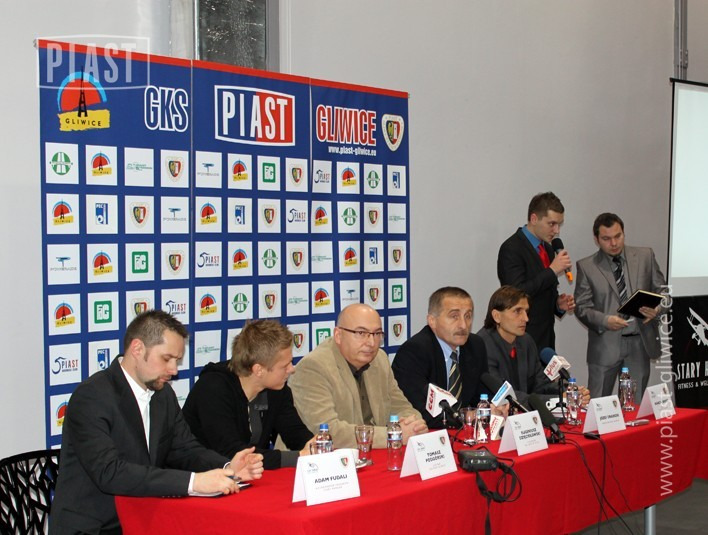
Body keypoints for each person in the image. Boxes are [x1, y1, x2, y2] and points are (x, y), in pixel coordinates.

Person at [50, 310, 264, 534]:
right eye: (166, 359)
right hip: (94, 527)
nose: (174, 370)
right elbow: (110, 472)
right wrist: (194, 482)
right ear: (137, 349)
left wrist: (228, 467)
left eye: (177, 361)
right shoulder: (92, 397)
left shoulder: (163, 395)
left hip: (145, 518)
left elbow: (185, 450)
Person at [289, 303, 427, 449]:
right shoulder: (313, 367)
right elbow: (328, 431)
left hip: (369, 454)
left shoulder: (379, 359)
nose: (371, 342)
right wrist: (394, 434)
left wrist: (413, 424)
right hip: (317, 458)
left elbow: (401, 406)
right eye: (361, 333)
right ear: (338, 335)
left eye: (377, 334)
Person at [183, 319, 314, 470]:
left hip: (248, 476)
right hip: (203, 476)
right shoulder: (213, 389)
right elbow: (233, 453)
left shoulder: (277, 389)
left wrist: (314, 446)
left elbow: (294, 432)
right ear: (259, 370)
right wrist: (299, 457)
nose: (292, 369)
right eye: (285, 366)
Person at [574, 213, 666, 398]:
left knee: (635, 406)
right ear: (596, 239)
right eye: (606, 239)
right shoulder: (587, 266)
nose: (614, 243)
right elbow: (581, 307)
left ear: (624, 233)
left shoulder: (645, 256)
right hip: (605, 346)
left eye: (618, 236)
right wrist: (605, 321)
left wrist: (657, 309)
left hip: (639, 343)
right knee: (599, 406)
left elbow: (664, 293)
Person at [392, 287, 490, 428]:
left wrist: (492, 409)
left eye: (468, 316)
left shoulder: (475, 346)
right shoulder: (414, 351)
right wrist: (467, 417)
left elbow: (481, 397)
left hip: (464, 434)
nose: (463, 325)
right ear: (432, 321)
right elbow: (422, 412)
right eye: (454, 316)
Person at [478, 285, 590, 407]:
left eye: (526, 312)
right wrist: (558, 399)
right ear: (497, 316)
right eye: (517, 311)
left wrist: (568, 391)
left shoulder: (526, 341)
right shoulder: (481, 346)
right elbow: (505, 396)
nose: (526, 318)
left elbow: (540, 385)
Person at [497, 191, 575, 350]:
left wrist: (557, 304)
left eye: (559, 224)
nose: (557, 230)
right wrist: (552, 271)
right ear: (534, 219)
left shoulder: (547, 248)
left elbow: (542, 293)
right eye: (552, 224)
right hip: (522, 340)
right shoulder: (511, 248)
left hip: (546, 339)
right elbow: (516, 295)